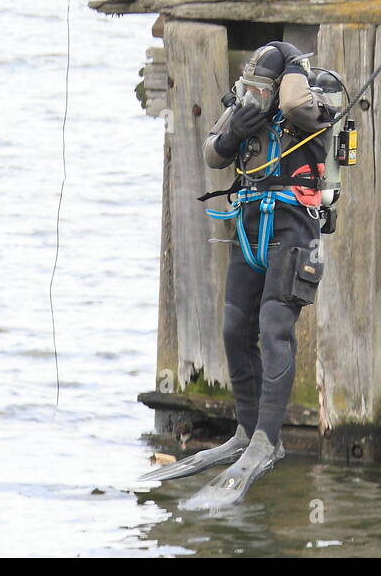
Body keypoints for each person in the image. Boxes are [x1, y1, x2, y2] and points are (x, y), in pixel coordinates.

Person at [140, 41, 335, 511]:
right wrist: (234, 132)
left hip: (295, 228)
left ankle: (269, 440)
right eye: (245, 88)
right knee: (233, 328)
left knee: (274, 326)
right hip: (249, 227)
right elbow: (213, 152)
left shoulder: (316, 93)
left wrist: (289, 67)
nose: (250, 96)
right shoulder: (247, 102)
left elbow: (293, 104)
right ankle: (244, 433)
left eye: (258, 89)